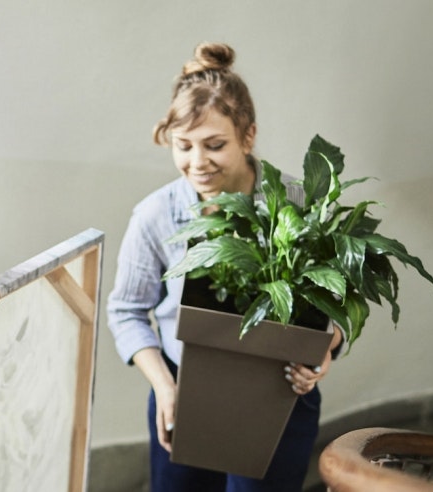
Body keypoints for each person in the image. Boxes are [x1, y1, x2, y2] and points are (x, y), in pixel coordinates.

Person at [107, 43, 343, 492]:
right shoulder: (156, 215)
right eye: (184, 147)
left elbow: (332, 301)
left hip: (279, 394)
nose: (197, 163)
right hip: (183, 392)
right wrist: (164, 387)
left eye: (215, 145)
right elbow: (126, 311)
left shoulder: (297, 203)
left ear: (248, 136)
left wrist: (325, 350)